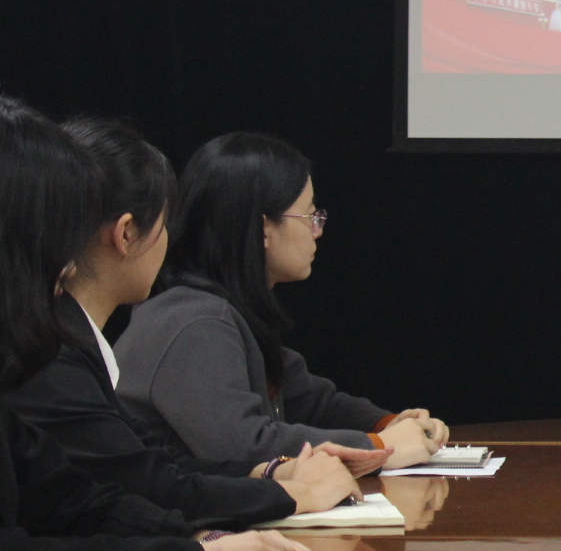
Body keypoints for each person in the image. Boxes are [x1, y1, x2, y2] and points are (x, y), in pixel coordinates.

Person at [0, 96, 311, 551]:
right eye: (55, 239)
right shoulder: (52, 355)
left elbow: (68, 497)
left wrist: (196, 545)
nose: (66, 263)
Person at [7, 117, 371, 528]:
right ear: (126, 234)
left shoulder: (69, 338)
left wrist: (273, 473)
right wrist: (292, 493)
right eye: (164, 224)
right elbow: (144, 483)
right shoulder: (55, 351)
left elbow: (152, 464)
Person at [115, 133, 446, 465]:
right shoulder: (194, 323)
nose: (318, 230)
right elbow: (243, 447)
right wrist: (378, 447)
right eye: (310, 216)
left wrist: (389, 424)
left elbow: (312, 402)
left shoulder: (223, 310)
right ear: (263, 228)